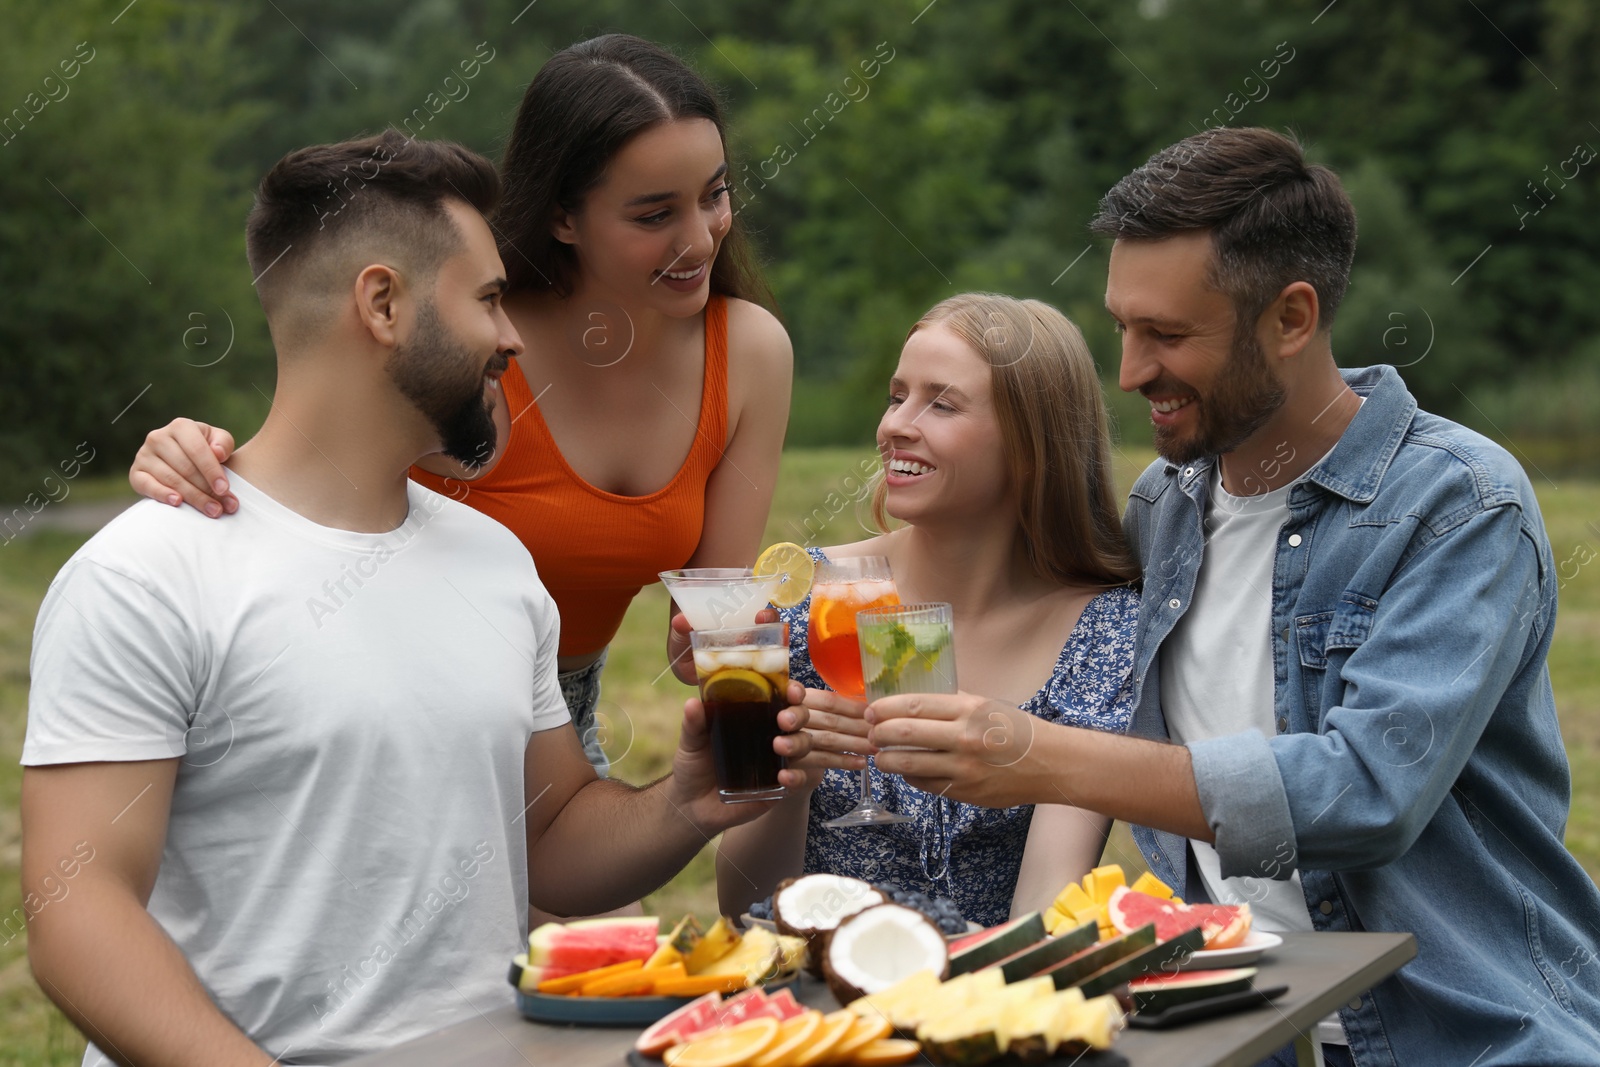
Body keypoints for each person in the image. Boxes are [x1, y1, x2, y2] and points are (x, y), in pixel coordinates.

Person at [21, 131, 810, 1067]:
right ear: (383, 303)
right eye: (486, 301)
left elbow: (551, 845)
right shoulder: (146, 575)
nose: (514, 337)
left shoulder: (497, 565)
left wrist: (685, 799)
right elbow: (76, 912)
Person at [863, 128, 1600, 1066]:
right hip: (1234, 1024)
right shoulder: (1162, 509)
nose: (1129, 373)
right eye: (1123, 327)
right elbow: (1009, 570)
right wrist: (798, 597)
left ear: (1291, 319)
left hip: (1459, 1034)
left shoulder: (1457, 505)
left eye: (1167, 335)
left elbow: (1366, 794)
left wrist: (1039, 754)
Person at [125, 34, 793, 776]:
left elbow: (714, 622)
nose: (700, 237)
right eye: (653, 214)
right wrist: (192, 450)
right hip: (396, 714)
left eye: (715, 194)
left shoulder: (751, 353)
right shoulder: (473, 346)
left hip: (562, 721)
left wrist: (724, 652)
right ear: (563, 217)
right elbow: (303, 465)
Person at [716, 294, 1141, 928]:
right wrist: (789, 784)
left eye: (941, 403)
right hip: (816, 993)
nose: (894, 426)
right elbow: (741, 907)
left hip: (986, 998)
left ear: (1033, 442)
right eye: (897, 397)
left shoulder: (1101, 633)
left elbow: (1049, 905)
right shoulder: (813, 600)